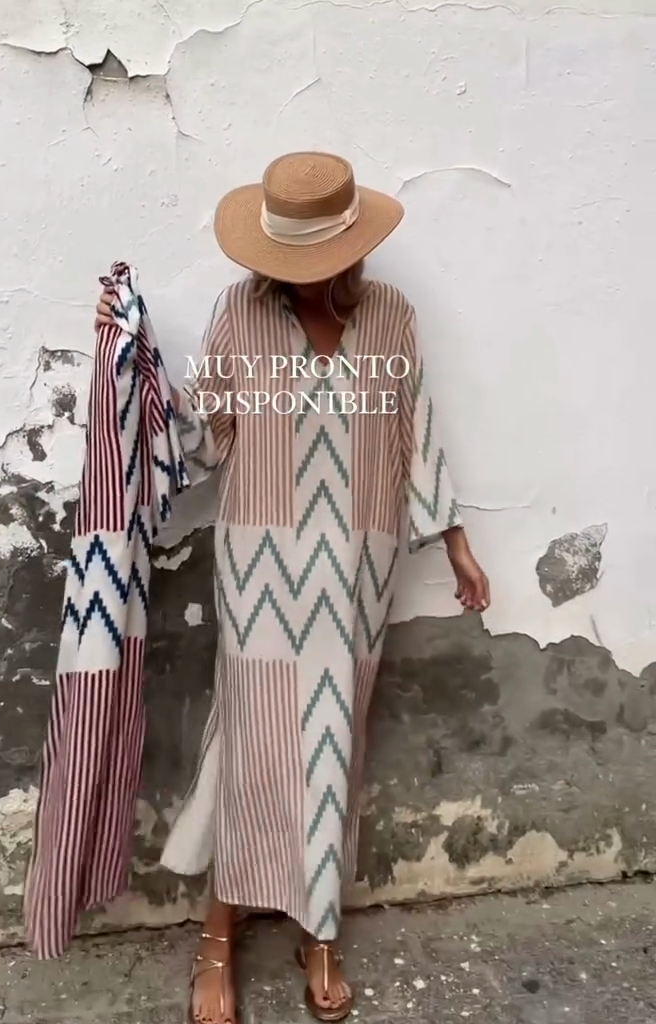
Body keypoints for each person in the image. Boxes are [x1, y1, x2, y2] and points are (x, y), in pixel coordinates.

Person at [95, 151, 490, 1024]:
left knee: (333, 746)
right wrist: (131, 358)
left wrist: (456, 542)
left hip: (358, 569)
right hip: (261, 569)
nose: (299, 273)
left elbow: (416, 429)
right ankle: (218, 935)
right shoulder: (240, 312)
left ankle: (320, 931)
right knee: (254, 743)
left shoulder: (391, 315)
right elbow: (205, 438)